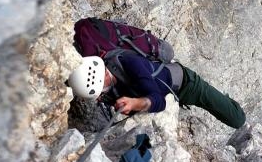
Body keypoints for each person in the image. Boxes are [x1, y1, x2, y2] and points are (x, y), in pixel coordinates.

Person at [68, 53, 246, 129]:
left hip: (188, 85)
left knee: (237, 119)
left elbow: (159, 102)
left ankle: (228, 101)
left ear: (104, 76)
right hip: (171, 91)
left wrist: (135, 103)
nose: (101, 95)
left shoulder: (131, 64)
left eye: (101, 89)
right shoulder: (106, 88)